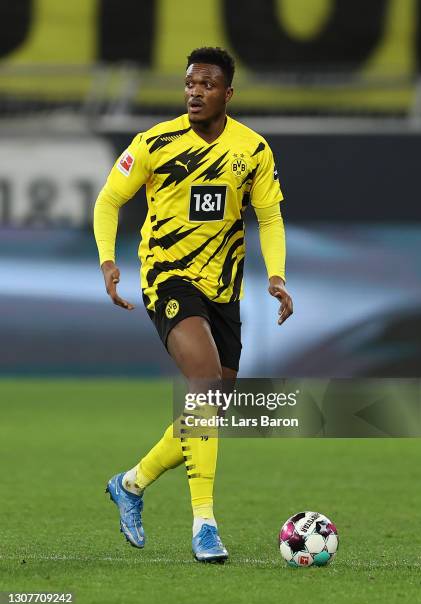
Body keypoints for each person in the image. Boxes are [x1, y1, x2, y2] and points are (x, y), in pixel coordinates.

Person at [93, 46, 293, 563]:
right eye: (189, 84)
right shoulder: (155, 143)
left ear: (228, 93)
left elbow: (269, 217)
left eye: (206, 85)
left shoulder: (252, 149)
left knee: (211, 408)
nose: (195, 92)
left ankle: (131, 483)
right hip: (168, 279)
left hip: (224, 290)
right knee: (203, 385)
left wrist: (275, 275)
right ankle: (204, 523)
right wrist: (108, 261)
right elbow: (109, 200)